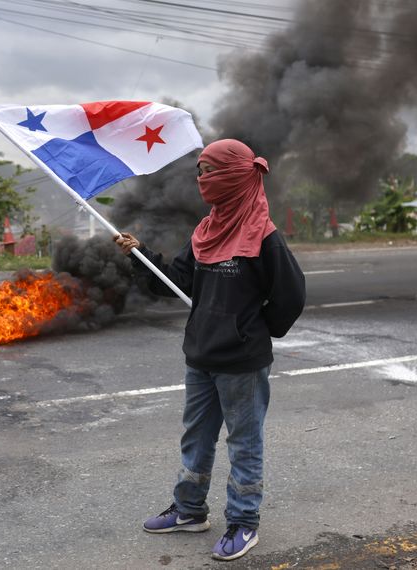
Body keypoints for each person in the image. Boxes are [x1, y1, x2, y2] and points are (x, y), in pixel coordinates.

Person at [114, 139, 306, 562]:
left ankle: (243, 522)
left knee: (244, 442)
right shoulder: (205, 231)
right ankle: (188, 510)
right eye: (199, 171)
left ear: (233, 177)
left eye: (208, 171)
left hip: (240, 361)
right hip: (200, 357)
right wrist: (141, 256)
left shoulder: (264, 236)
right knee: (196, 437)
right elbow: (177, 282)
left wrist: (252, 330)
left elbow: (291, 296)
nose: (201, 180)